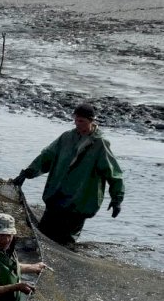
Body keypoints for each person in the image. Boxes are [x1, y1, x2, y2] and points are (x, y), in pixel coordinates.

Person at [12, 103, 124, 245]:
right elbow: (46, 157)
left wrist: (116, 200)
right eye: (75, 120)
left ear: (91, 121)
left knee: (66, 241)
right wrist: (26, 173)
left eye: (81, 121)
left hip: (79, 202)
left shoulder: (100, 144)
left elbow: (114, 174)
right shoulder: (66, 138)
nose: (77, 124)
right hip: (57, 197)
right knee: (41, 236)